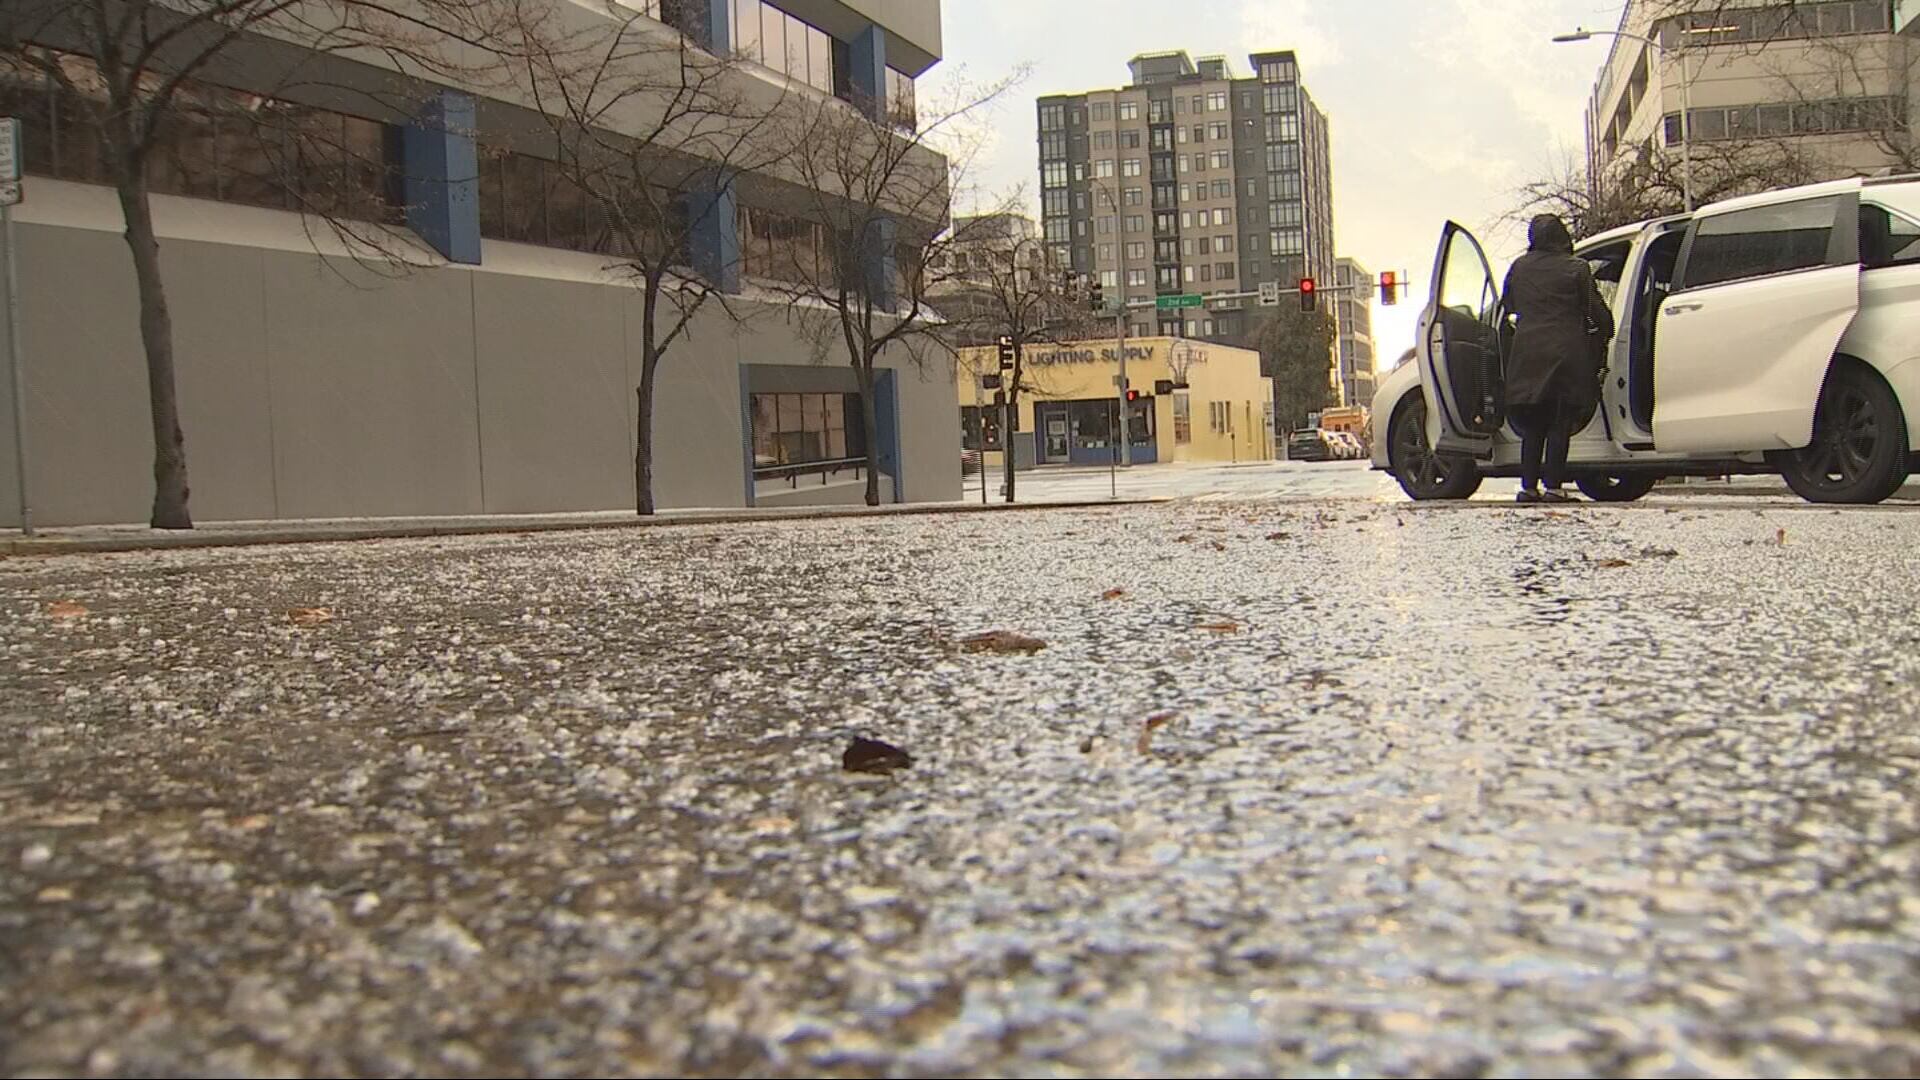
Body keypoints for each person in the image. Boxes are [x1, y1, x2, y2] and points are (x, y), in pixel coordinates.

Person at [1502, 214, 1615, 503]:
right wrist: (1604, 330)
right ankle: (1553, 487)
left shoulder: (1519, 268)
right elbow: (1593, 309)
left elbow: (1510, 305)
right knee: (1559, 422)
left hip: (1527, 353)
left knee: (1533, 425)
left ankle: (1528, 488)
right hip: (1565, 354)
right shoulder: (1576, 268)